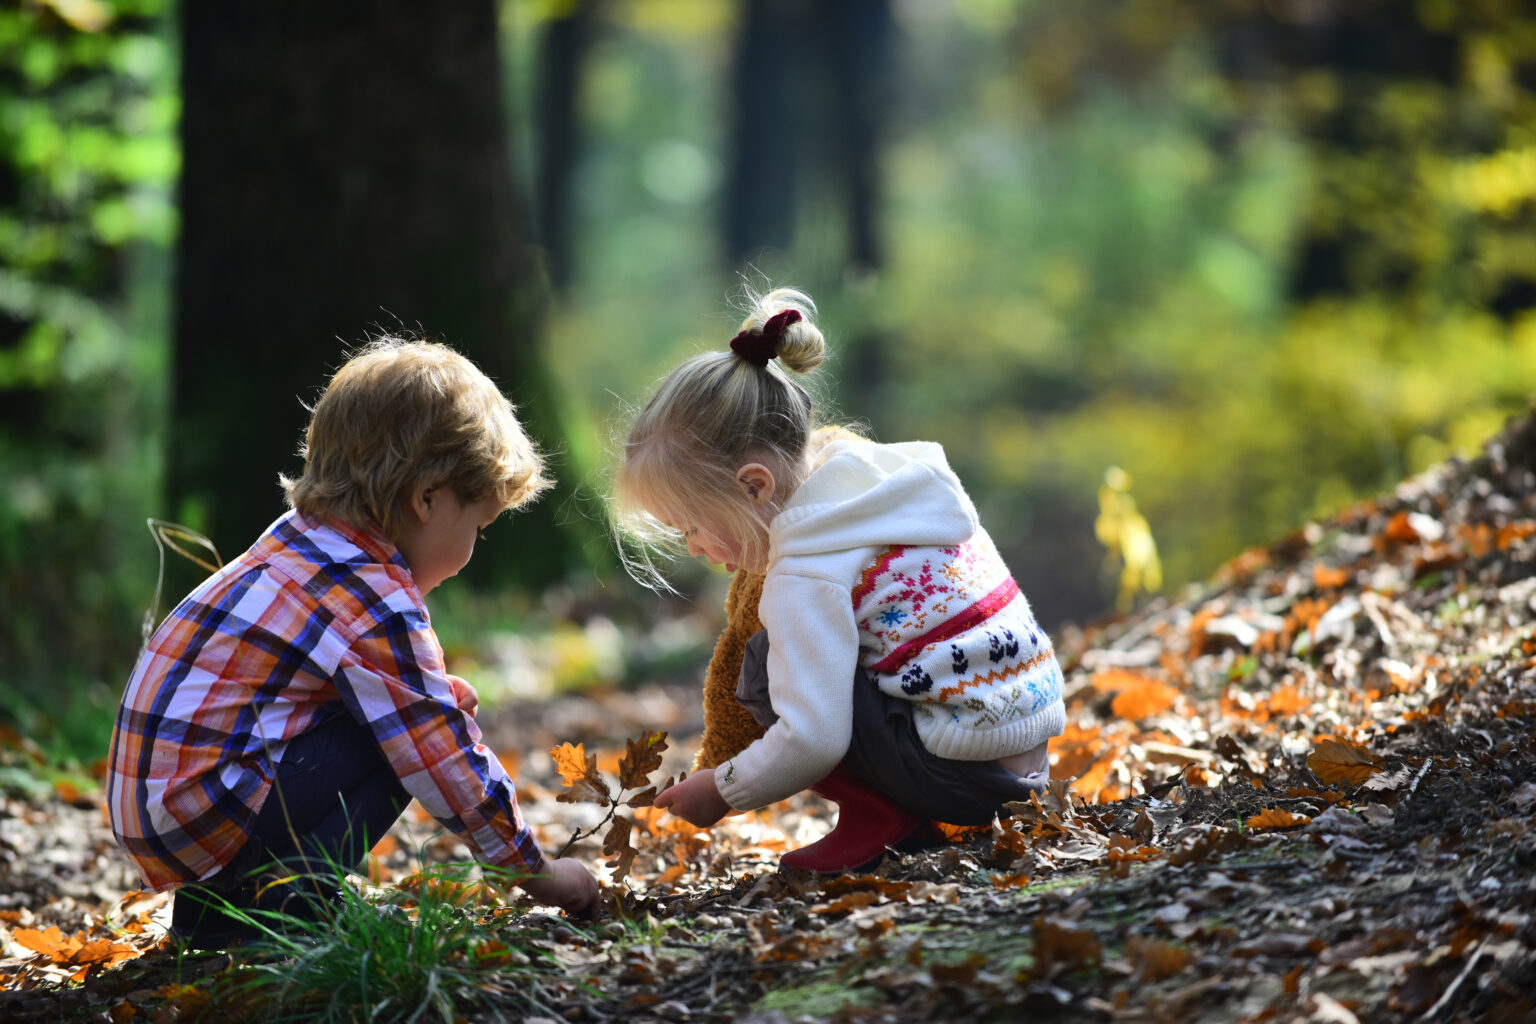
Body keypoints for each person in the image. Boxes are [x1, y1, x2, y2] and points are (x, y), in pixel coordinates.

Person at [107, 337, 599, 949]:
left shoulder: (301, 538)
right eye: (479, 526)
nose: (474, 550)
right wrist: (536, 874)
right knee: (422, 726)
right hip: (205, 809)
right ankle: (289, 901)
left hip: (163, 809)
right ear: (427, 498)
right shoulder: (371, 597)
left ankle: (216, 912)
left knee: (421, 707)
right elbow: (441, 751)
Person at [612, 288, 1068, 872]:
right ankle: (902, 807)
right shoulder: (888, 485)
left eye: (692, 527)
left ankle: (882, 820)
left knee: (761, 662)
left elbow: (814, 738)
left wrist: (721, 788)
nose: (694, 547)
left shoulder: (806, 572)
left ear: (755, 486)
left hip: (962, 776)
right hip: (1024, 758)